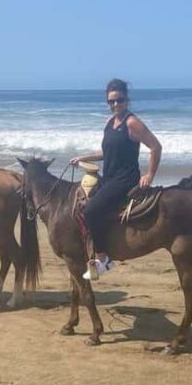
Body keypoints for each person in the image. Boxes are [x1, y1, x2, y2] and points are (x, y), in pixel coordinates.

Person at [71, 78, 162, 280]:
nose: (115, 105)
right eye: (111, 101)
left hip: (125, 180)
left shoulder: (132, 123)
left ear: (126, 100)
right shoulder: (110, 123)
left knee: (91, 211)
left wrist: (149, 175)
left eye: (119, 100)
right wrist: (82, 157)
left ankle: (103, 258)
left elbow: (156, 146)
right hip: (109, 177)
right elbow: (106, 152)